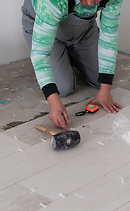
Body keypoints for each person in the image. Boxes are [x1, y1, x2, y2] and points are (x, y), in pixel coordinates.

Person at [22, 0, 124, 130]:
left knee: (101, 79)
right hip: (45, 30)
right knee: (63, 88)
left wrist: (105, 90)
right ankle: (61, 54)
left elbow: (109, 37)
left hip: (82, 32)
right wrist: (53, 102)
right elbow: (40, 54)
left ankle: (69, 54)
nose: (91, 2)